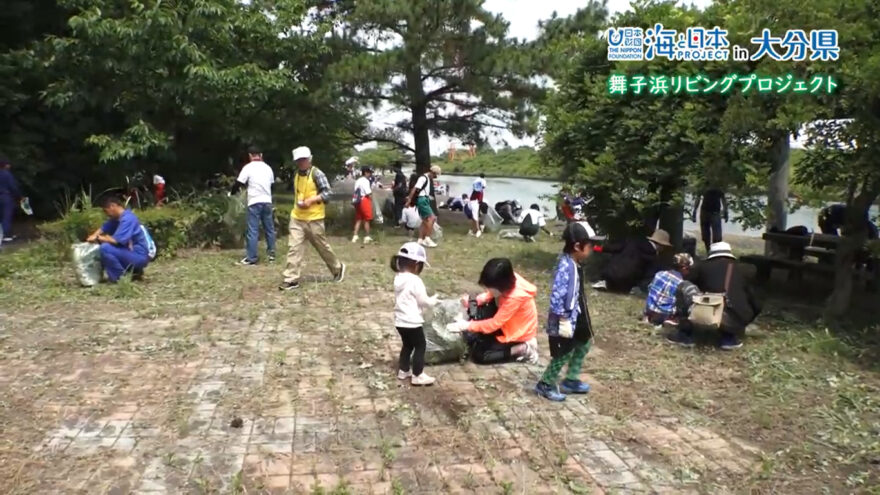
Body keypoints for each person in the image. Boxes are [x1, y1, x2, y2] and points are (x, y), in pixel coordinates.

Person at [534, 222, 600, 401]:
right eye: (589, 245)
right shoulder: (565, 265)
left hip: (577, 313)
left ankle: (571, 379)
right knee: (564, 350)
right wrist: (561, 318)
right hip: (565, 317)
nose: (592, 249)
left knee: (584, 342)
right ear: (578, 246)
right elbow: (557, 294)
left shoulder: (574, 262)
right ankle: (545, 384)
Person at [668, 242, 762, 350]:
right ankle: (729, 337)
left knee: (683, 286)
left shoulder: (702, 267)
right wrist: (745, 321)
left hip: (709, 314)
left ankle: (685, 334)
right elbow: (756, 302)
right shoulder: (743, 270)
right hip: (734, 319)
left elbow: (689, 286)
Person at [447, 258, 540, 364]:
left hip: (516, 332)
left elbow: (494, 324)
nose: (488, 289)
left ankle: (523, 348)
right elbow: (490, 294)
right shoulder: (507, 279)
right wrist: (474, 301)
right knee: (476, 315)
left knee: (481, 355)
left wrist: (466, 325)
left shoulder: (515, 297)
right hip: (506, 321)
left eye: (490, 287)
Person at [279, 146, 346, 290]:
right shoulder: (297, 174)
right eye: (298, 160)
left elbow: (328, 193)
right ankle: (291, 278)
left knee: (322, 247)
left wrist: (312, 200)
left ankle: (337, 268)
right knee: (294, 248)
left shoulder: (317, 174)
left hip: (314, 218)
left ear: (309, 159)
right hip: (297, 217)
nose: (301, 163)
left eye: (303, 159)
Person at [392, 242, 438, 386]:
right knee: (420, 345)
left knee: (407, 345)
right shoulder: (415, 280)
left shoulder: (398, 278)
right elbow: (424, 301)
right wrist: (433, 301)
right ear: (417, 264)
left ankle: (403, 370)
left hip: (400, 321)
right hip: (412, 322)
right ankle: (418, 375)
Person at [86, 196, 151, 283]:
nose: (106, 214)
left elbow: (116, 241)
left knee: (105, 248)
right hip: (130, 253)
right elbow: (104, 227)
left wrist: (98, 238)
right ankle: (133, 272)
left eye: (106, 211)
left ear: (112, 206)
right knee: (105, 246)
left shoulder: (127, 219)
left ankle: (119, 278)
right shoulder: (117, 219)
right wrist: (93, 236)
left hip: (138, 255)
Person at [231, 146, 276, 266]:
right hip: (267, 201)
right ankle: (271, 254)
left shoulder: (248, 167)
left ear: (250, 156)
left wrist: (232, 193)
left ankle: (251, 258)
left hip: (254, 201)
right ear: (261, 155)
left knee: (253, 230)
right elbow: (272, 185)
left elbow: (239, 183)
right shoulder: (268, 168)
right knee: (269, 228)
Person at [593, 229, 672, 293]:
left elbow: (613, 248)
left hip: (610, 275)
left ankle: (605, 283)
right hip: (626, 283)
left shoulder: (632, 241)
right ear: (661, 245)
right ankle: (634, 288)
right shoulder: (653, 257)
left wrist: (596, 248)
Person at [644, 253, 694, 327]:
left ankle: (649, 318)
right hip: (666, 313)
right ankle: (671, 320)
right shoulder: (681, 283)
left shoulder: (659, 274)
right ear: (684, 268)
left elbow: (650, 289)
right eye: (689, 269)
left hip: (651, 310)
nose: (689, 272)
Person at [405, 165, 441, 248]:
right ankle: (427, 239)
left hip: (424, 199)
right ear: (433, 172)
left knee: (424, 220)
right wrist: (409, 200)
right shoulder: (423, 178)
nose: (436, 177)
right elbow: (415, 188)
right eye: (436, 175)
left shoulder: (427, 178)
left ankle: (420, 239)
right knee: (432, 218)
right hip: (422, 200)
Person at [692, 188, 728, 253]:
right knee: (705, 235)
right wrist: (694, 211)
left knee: (717, 236)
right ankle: (708, 252)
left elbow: (723, 199)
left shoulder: (718, 183)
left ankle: (715, 252)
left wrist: (726, 212)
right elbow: (698, 198)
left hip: (715, 212)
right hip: (704, 211)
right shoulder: (703, 184)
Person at [0, 157, 22, 242]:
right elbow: (13, 187)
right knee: (6, 216)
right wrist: (19, 197)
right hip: (5, 197)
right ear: (6, 165)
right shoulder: (7, 174)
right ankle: (5, 236)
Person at [352, 165, 374, 244]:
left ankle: (355, 236)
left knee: (359, 219)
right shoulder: (365, 181)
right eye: (369, 172)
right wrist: (371, 199)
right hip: (364, 199)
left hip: (357, 200)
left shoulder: (358, 180)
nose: (370, 174)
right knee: (367, 219)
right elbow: (368, 192)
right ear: (365, 172)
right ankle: (367, 236)